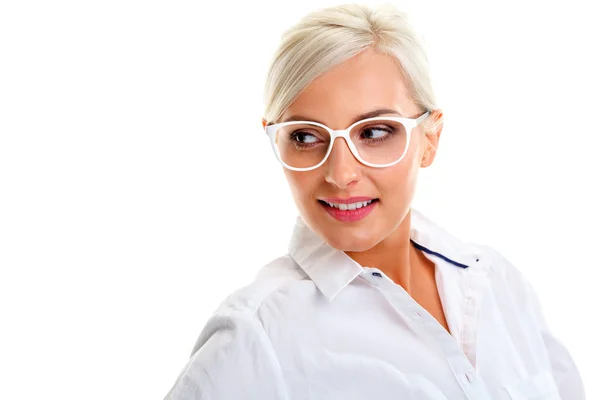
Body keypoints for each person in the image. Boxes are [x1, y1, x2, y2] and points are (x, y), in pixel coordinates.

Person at [164, 3, 585, 399]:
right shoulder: (256, 335)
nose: (341, 174)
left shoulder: (497, 282)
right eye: (306, 137)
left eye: (375, 132)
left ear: (430, 140)